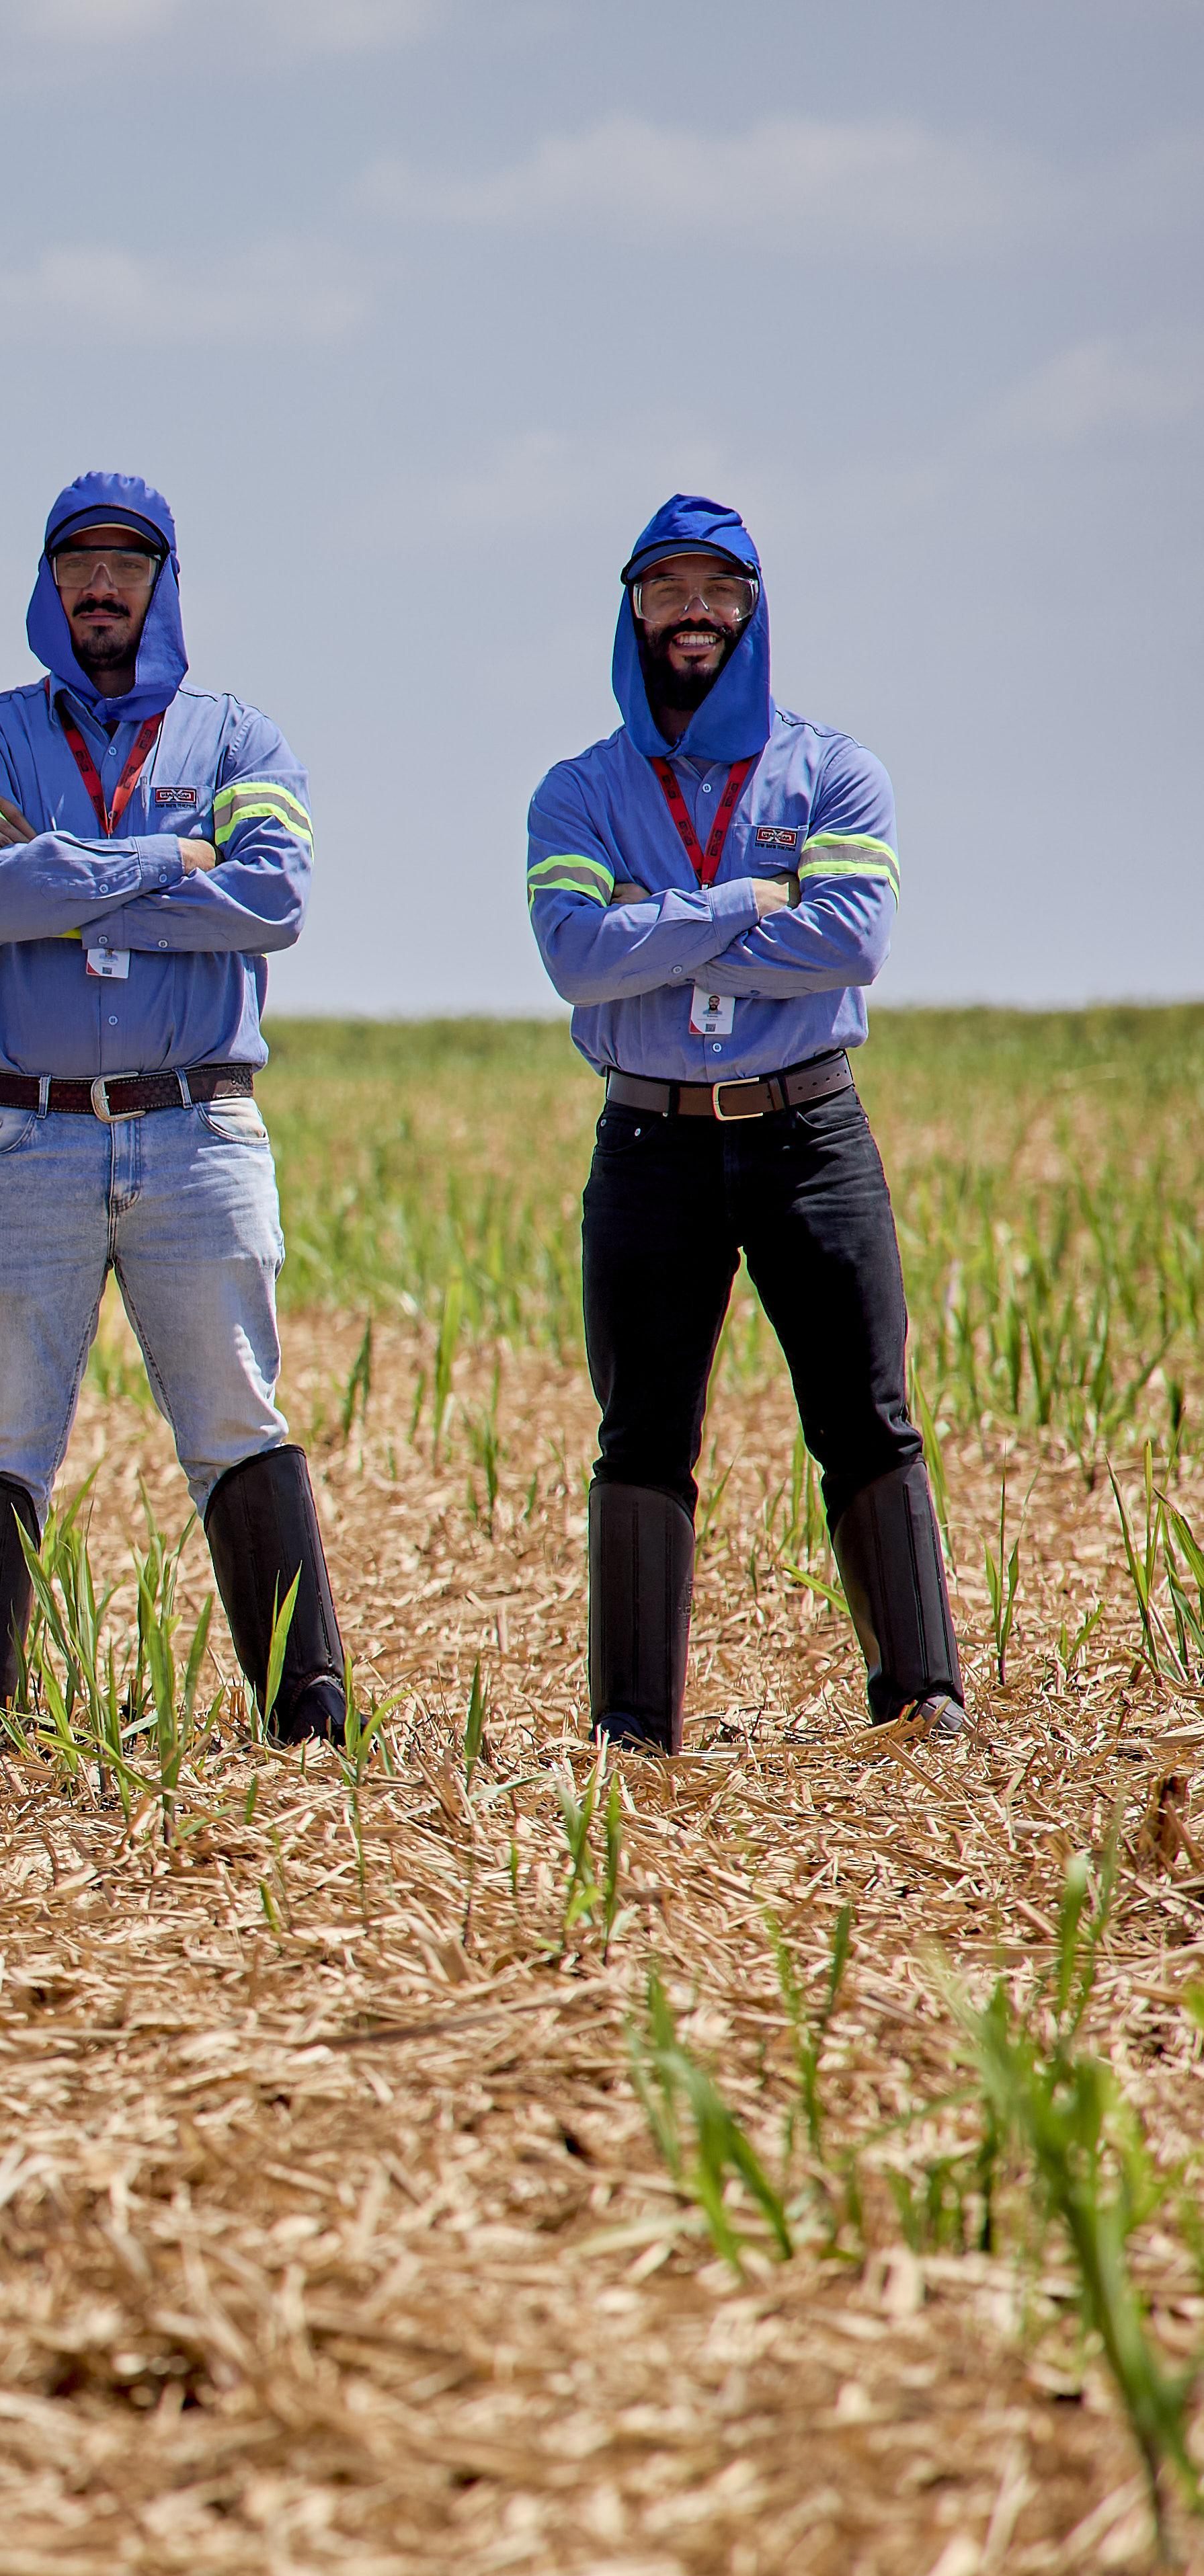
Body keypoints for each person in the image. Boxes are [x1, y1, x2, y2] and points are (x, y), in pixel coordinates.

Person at [0, 472, 347, 1767]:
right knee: (1, 1424)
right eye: (79, 564)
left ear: (164, 584)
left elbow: (271, 898)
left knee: (236, 1416)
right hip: (21, 1138)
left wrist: (70, 870)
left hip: (197, 1132)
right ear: (47, 586)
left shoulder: (241, 742)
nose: (102, 587)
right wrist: (167, 859)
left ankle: (307, 1707)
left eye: (126, 566)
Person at [528, 494, 955, 1749]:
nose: (694, 613)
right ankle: (631, 1730)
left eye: (719, 591)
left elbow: (851, 940)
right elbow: (572, 953)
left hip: (808, 1136)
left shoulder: (835, 772)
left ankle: (922, 1702)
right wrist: (740, 901)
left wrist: (654, 919)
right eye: (668, 590)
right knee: (642, 1433)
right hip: (649, 1146)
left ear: (753, 612)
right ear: (635, 611)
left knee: (865, 1415)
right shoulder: (577, 791)